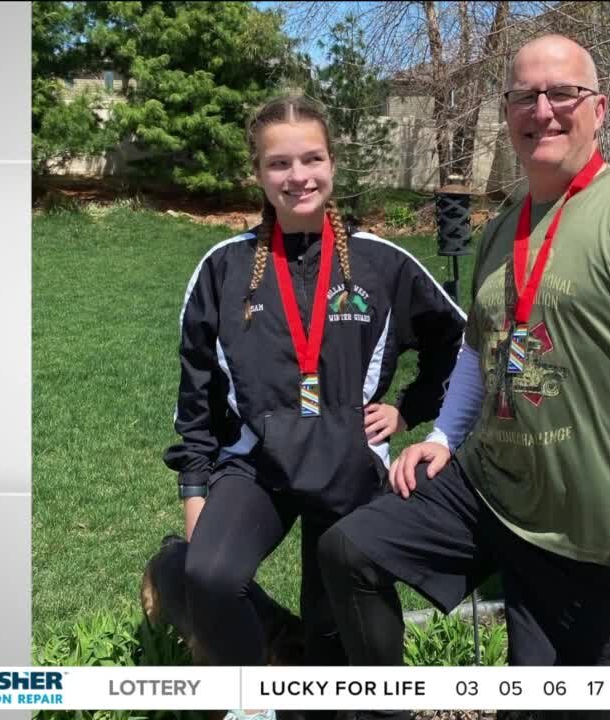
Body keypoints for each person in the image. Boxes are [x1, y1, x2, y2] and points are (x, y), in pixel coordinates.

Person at [317, 34, 610, 720]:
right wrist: (447, 436)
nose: (542, 109)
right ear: (507, 112)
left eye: (562, 93)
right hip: (489, 491)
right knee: (350, 550)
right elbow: (479, 351)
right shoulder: (501, 228)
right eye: (524, 95)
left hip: (586, 529)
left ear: (597, 109)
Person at [162, 94, 466, 720]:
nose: (297, 176)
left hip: (348, 463)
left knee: (336, 624)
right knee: (210, 577)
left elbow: (458, 339)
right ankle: (255, 706)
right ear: (258, 174)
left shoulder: (382, 264)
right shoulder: (223, 269)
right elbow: (197, 392)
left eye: (311, 158)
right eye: (279, 163)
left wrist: (410, 410)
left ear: (332, 164)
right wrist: (196, 489)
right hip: (258, 466)